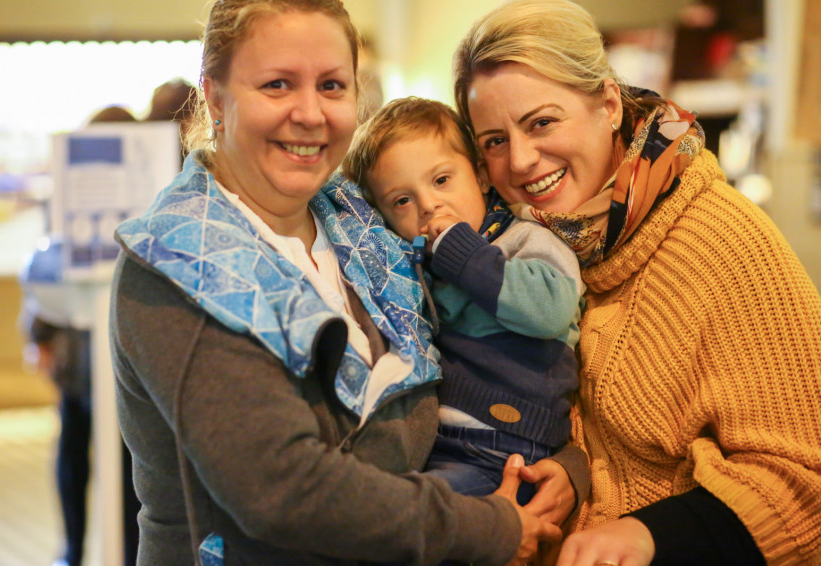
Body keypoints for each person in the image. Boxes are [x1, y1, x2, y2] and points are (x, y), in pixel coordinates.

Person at [110, 1, 573, 565]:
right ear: (216, 97)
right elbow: (281, 489)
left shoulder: (359, 217)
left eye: (331, 86)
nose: (310, 114)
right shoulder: (180, 259)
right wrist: (484, 527)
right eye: (277, 84)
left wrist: (562, 467)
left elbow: (500, 361)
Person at [452, 1, 821, 564]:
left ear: (607, 104)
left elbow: (804, 479)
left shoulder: (724, 240)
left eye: (542, 122)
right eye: (494, 141)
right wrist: (571, 474)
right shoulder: (521, 250)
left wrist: (647, 534)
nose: (521, 161)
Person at [342, 97, 587, 509]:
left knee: (411, 513)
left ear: (481, 176)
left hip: (508, 446)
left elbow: (551, 312)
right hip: (442, 444)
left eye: (441, 180)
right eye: (402, 201)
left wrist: (465, 253)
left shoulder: (524, 239)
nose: (428, 205)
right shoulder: (416, 268)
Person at [20, 104, 140, 566]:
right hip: (92, 347)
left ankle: (80, 551)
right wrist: (39, 336)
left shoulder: (77, 190)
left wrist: (39, 337)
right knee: (100, 455)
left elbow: (45, 270)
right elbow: (47, 270)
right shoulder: (77, 195)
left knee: (82, 453)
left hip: (89, 349)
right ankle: (87, 551)